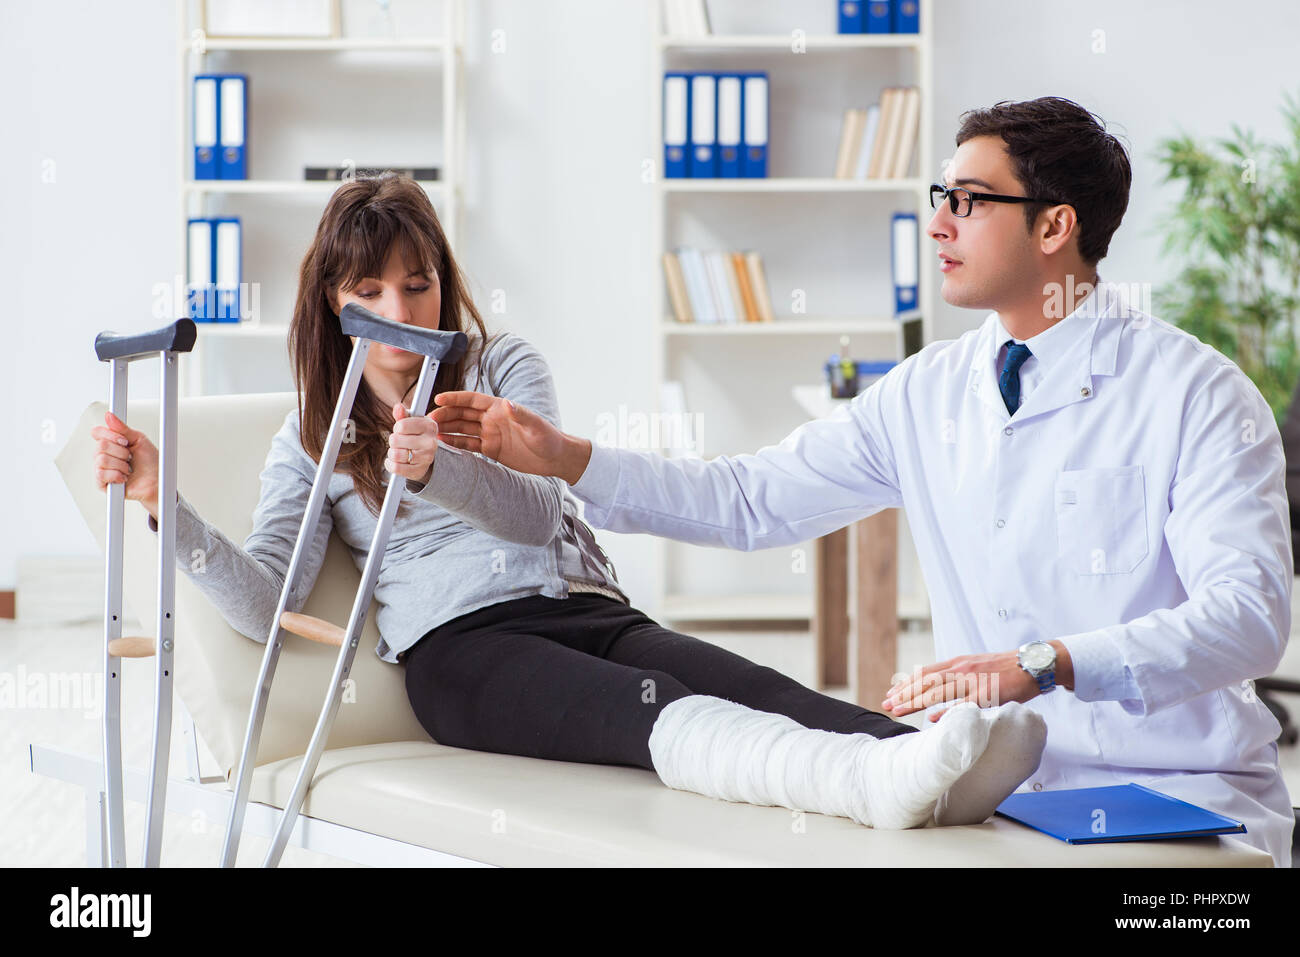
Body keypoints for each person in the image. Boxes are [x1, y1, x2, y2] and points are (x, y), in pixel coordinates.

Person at [431, 98, 1296, 866]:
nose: (938, 225)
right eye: (940, 198)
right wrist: (569, 458)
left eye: (968, 201)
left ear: (1053, 227)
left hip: (1181, 799)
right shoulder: (933, 389)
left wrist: (1046, 663)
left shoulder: (1198, 395)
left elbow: (1251, 615)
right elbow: (751, 499)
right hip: (1005, 798)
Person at [88, 173, 1046, 836]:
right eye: (371, 289)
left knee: (753, 684)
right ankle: (873, 784)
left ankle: (940, 759)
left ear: (442, 284)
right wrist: (161, 501)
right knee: (659, 710)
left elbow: (541, 514)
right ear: (333, 304)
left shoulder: (502, 363)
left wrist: (442, 465)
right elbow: (266, 604)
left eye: (418, 286)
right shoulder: (315, 434)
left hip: (587, 609)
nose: (402, 312)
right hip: (460, 652)